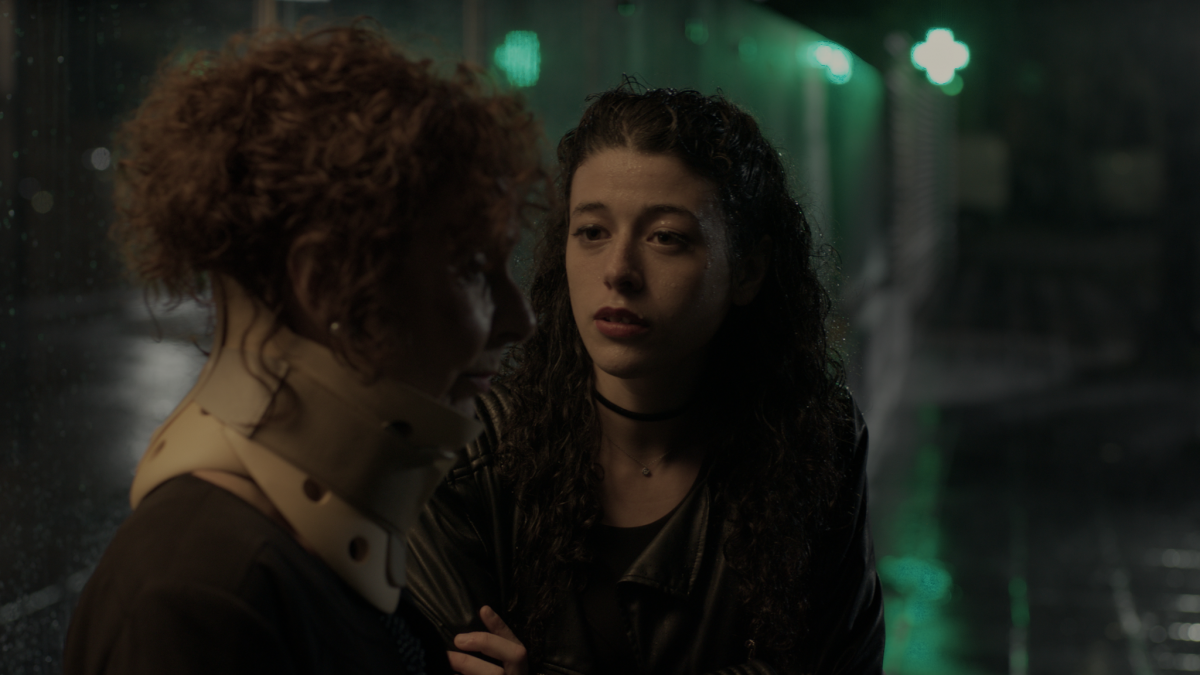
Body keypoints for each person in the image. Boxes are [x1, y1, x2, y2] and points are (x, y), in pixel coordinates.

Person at [63, 22, 547, 675]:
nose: (520, 320)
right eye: (471, 269)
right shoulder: (197, 593)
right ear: (325, 284)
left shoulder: (313, 555)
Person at [406, 81, 885, 674]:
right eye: (592, 231)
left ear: (748, 270)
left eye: (666, 238)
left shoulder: (816, 442)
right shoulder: (467, 448)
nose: (619, 271)